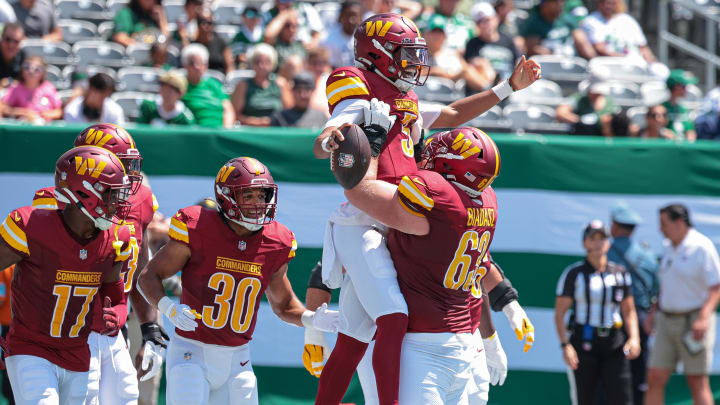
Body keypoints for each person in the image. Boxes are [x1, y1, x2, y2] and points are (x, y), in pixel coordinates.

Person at [312, 13, 540, 405]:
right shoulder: (357, 84)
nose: (415, 62)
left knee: (353, 334)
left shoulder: (404, 97)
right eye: (405, 54)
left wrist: (507, 88)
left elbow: (450, 115)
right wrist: (331, 141)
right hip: (367, 217)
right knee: (393, 318)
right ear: (376, 54)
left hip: (394, 217)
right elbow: (328, 135)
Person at [136, 157, 339, 405]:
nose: (258, 204)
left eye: (262, 196)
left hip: (238, 360)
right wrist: (168, 308)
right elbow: (148, 276)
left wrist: (311, 319)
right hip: (191, 353)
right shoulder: (199, 227)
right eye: (249, 196)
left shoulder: (276, 241)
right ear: (226, 197)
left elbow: (284, 305)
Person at [29, 123, 162, 405]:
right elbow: (32, 275)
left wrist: (150, 327)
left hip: (114, 325)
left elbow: (139, 268)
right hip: (66, 325)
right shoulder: (55, 203)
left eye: (129, 167)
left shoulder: (141, 201)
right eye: (120, 168)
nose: (128, 179)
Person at [0, 146, 133, 405]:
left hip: (79, 354)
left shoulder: (115, 237)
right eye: (110, 193)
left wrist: (116, 313)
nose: (117, 202)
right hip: (31, 348)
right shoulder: (32, 226)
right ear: (83, 193)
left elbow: (113, 293)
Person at [554, 220, 641, 405]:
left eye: (602, 238)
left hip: (614, 342)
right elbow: (560, 313)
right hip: (584, 341)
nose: (598, 243)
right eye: (593, 238)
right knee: (586, 399)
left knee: (622, 397)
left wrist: (634, 338)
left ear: (609, 242)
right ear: (585, 242)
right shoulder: (574, 274)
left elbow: (629, 310)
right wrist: (565, 345)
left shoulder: (620, 273)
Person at [645, 204, 720, 405]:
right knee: (654, 377)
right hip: (665, 320)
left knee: (697, 380)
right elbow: (666, 285)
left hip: (693, 321)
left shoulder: (701, 247)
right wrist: (653, 312)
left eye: (664, 224)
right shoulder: (668, 248)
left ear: (679, 222)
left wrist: (704, 318)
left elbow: (716, 287)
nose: (661, 229)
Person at [608, 202, 658, 405]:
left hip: (613, 321)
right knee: (639, 377)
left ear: (614, 227)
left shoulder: (605, 255)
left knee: (610, 375)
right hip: (642, 320)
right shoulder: (648, 255)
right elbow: (656, 287)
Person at [425, 14, 493, 93]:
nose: (437, 36)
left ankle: (490, 90)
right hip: (431, 89)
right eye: (434, 32)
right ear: (426, 34)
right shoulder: (419, 54)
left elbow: (465, 69)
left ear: (445, 36)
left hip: (454, 89)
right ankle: (489, 91)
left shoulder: (452, 54)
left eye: (440, 33)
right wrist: (433, 72)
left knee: (479, 65)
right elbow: (414, 74)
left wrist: (447, 74)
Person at [231, 43, 291, 127]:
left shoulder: (281, 83)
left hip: (276, 130)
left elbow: (289, 111)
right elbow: (234, 113)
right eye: (257, 62)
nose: (261, 66)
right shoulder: (243, 86)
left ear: (272, 63)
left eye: (266, 62)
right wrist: (255, 122)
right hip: (250, 130)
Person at [580, 0, 656, 64]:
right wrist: (626, 59)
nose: (608, 6)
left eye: (612, 3)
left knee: (660, 71)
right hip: (610, 63)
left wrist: (651, 62)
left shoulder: (628, 20)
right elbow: (600, 49)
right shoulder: (591, 21)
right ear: (599, 3)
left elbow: (643, 47)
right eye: (605, 2)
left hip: (637, 63)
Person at [180, 44, 235, 128]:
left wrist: (226, 130)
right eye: (192, 63)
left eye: (200, 63)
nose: (197, 67)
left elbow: (228, 109)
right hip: (193, 133)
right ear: (185, 65)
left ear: (206, 66)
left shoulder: (215, 85)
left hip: (219, 132)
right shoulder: (180, 86)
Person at [465, 3, 520, 82]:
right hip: (486, 87)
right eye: (479, 22)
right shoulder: (473, 44)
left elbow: (518, 62)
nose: (485, 24)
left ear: (496, 19)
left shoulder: (508, 40)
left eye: (487, 20)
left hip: (510, 86)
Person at [521, 0, 595, 59]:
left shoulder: (568, 19)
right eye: (555, 1)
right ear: (545, 3)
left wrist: (592, 59)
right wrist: (555, 56)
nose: (560, 4)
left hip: (570, 61)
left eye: (562, 1)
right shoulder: (534, 22)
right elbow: (532, 49)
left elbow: (582, 42)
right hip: (547, 64)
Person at [0, 55, 62, 123]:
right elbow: (4, 108)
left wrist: (47, 115)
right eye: (27, 67)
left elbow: (59, 111)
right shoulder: (15, 88)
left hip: (45, 128)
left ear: (43, 73)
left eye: (37, 69)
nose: (31, 71)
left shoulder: (49, 88)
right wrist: (23, 112)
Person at [321, 0, 362, 69]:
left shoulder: (364, 37)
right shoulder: (328, 39)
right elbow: (328, 67)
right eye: (348, 15)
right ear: (341, 16)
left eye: (354, 16)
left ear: (360, 18)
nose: (351, 20)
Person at [192, 8, 233, 75]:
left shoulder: (221, 43)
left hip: (219, 83)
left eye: (209, 23)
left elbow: (229, 66)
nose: (206, 26)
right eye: (202, 22)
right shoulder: (193, 46)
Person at [663, 69, 697, 141]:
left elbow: (690, 131)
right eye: (684, 86)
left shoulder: (682, 108)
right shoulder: (661, 108)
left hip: (683, 148)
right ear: (676, 87)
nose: (686, 89)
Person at [0, 265, 14, 405]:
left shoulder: (4, 268)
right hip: (23, 325)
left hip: (7, 326)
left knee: (7, 366)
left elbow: (1, 298)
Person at [0, 23, 25, 89]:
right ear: (1, 38)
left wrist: (13, 83)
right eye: (7, 39)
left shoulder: (25, 58)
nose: (11, 45)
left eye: (16, 41)